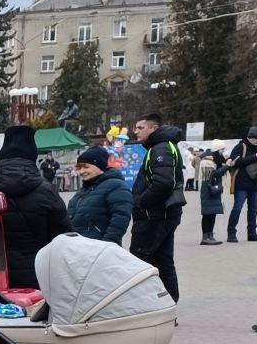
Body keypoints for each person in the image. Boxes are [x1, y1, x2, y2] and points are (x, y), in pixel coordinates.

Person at [0, 123, 73, 289]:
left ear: (2, 154)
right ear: (33, 155)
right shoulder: (47, 191)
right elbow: (64, 237)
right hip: (37, 276)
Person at [128, 113, 186, 301]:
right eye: (135, 128)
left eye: (140, 128)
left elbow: (163, 183)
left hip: (154, 216)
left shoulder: (161, 148)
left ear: (154, 128)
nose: (136, 131)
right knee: (163, 261)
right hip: (163, 214)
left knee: (139, 263)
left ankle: (143, 306)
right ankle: (169, 305)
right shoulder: (163, 145)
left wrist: (139, 202)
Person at [69, 146, 132, 244]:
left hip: (99, 248)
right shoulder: (83, 190)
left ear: (99, 165)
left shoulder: (116, 186)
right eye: (79, 168)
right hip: (78, 247)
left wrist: (107, 244)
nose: (81, 171)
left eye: (86, 167)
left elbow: (120, 218)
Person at [227, 126, 257, 242]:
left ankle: (252, 233)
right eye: (256, 138)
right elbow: (235, 162)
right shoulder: (240, 147)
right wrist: (254, 157)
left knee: (253, 209)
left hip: (256, 183)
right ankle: (231, 233)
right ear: (250, 137)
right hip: (242, 184)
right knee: (237, 208)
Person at [196, 150, 227, 245]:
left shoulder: (212, 162)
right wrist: (227, 166)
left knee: (212, 213)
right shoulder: (206, 163)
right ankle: (205, 237)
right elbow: (214, 175)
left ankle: (210, 235)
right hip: (208, 191)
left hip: (211, 190)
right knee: (207, 214)